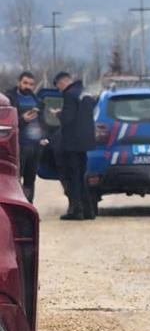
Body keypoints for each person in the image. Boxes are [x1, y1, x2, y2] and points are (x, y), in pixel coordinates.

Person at [51, 71, 94, 220]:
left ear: (62, 83)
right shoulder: (84, 92)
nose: (59, 90)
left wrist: (58, 114)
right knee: (82, 176)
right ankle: (89, 210)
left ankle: (77, 211)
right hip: (85, 142)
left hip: (72, 143)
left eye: (58, 87)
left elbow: (68, 119)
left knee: (73, 177)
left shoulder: (69, 95)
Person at [3, 72, 48, 202]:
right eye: (25, 83)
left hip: (35, 146)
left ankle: (29, 206)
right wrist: (22, 119)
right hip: (18, 145)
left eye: (31, 84)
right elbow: (7, 122)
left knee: (30, 179)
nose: (28, 86)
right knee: (15, 179)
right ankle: (16, 207)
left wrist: (43, 137)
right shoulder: (9, 99)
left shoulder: (37, 101)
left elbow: (42, 122)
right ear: (19, 82)